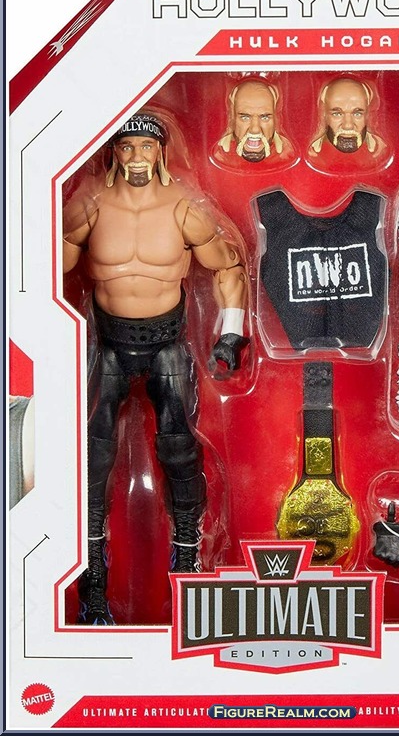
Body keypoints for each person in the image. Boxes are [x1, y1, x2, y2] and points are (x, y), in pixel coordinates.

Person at [63, 112, 249, 625]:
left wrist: (231, 331)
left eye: (146, 147)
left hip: (167, 342)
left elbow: (229, 266)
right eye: (128, 147)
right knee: (92, 458)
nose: (137, 156)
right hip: (108, 343)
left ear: (160, 153)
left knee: (180, 448)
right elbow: (50, 264)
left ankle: (187, 559)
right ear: (115, 153)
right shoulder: (90, 203)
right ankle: (92, 578)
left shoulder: (183, 206)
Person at [215, 79, 292, 165]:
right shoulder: (219, 155)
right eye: (245, 117)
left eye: (265, 117)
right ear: (232, 119)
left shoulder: (287, 154)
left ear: (275, 119)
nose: (255, 129)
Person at [309, 77, 386, 159]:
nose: (348, 126)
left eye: (357, 114)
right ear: (324, 114)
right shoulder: (315, 153)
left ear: (368, 115)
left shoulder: (380, 150)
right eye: (337, 114)